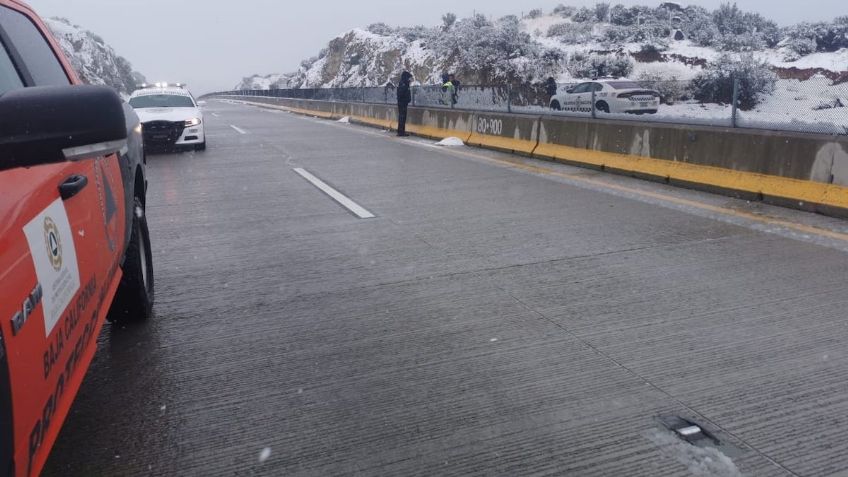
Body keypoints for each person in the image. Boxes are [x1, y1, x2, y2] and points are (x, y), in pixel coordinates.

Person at [396, 71, 412, 137]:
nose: (409, 79)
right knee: (402, 117)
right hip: (402, 103)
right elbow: (401, 94)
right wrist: (405, 100)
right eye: (409, 78)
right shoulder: (403, 84)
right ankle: (401, 132)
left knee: (402, 117)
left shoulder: (403, 83)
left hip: (402, 103)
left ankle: (401, 131)